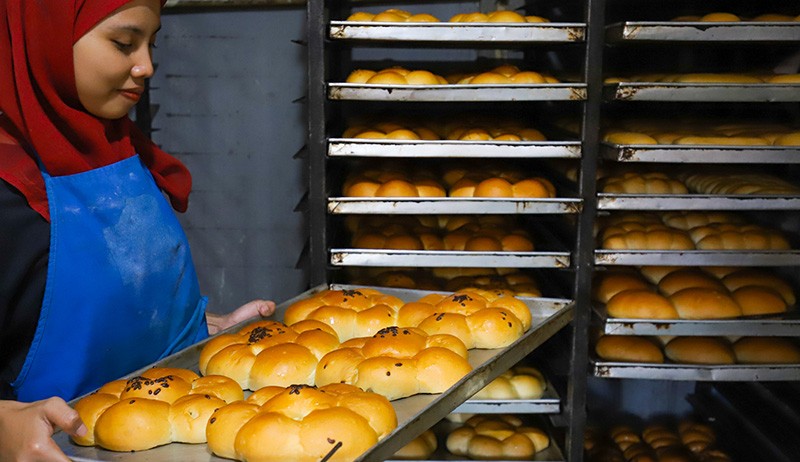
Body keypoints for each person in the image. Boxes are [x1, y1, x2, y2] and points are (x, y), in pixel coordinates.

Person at [0, 0, 277, 459]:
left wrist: (203, 333)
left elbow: (110, 303)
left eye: (152, 43)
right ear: (45, 38)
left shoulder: (118, 153)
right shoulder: (9, 191)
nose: (146, 66)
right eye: (124, 43)